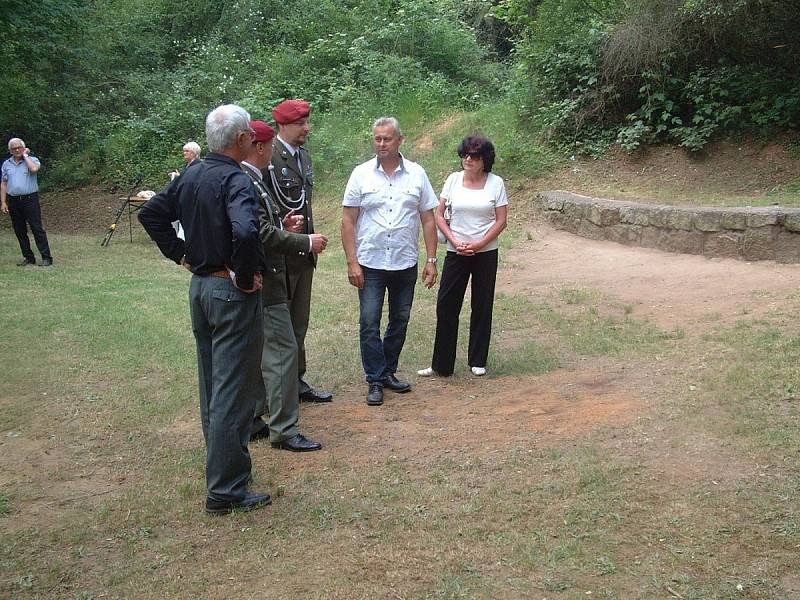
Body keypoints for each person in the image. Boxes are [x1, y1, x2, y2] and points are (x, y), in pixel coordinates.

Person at [138, 104, 271, 515]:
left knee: (213, 385)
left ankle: (224, 472)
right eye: (250, 133)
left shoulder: (192, 174)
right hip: (229, 294)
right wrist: (246, 277)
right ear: (243, 139)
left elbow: (151, 213)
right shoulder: (236, 179)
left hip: (201, 290)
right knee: (232, 391)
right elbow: (247, 231)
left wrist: (183, 256)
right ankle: (225, 490)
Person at [242, 120, 328, 452]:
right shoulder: (248, 179)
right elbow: (259, 234)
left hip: (260, 278)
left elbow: (262, 223)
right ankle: (284, 429)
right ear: (261, 147)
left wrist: (283, 223)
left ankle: (253, 418)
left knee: (260, 351)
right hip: (266, 279)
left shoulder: (253, 179)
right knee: (282, 351)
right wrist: (303, 240)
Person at [341, 116, 439, 407]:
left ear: (400, 140)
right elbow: (348, 220)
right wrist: (351, 261)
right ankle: (375, 378)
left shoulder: (417, 174)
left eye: (387, 138)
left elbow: (428, 219)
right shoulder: (361, 174)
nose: (381, 144)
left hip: (404, 261)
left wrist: (432, 259)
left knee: (400, 319)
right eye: (377, 138)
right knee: (369, 321)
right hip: (370, 262)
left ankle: (387, 372)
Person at [417, 136, 508, 378]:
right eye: (465, 154)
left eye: (474, 156)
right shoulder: (453, 179)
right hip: (456, 251)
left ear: (484, 160)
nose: (468, 159)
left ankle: (477, 360)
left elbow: (501, 221)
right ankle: (441, 364)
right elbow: (438, 215)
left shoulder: (496, 183)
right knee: (446, 305)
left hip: (485, 252)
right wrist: (455, 241)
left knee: (482, 303)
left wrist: (479, 244)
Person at [264, 99, 333, 404]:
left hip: (303, 253)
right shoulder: (268, 157)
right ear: (283, 125)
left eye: (307, 122)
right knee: (277, 328)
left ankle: (296, 381)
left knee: (298, 323)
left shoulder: (303, 155)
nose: (307, 128)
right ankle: (275, 389)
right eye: (300, 123)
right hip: (279, 254)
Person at [1, 138, 52, 267]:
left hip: (30, 200)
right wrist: (3, 202)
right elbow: (4, 183)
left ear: (24, 148)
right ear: (10, 151)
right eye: (14, 148)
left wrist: (25, 155)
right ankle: (28, 257)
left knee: (37, 228)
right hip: (13, 201)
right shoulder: (7, 164)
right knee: (20, 230)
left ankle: (46, 257)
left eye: (19, 147)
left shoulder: (32, 160)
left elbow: (34, 169)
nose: (17, 150)